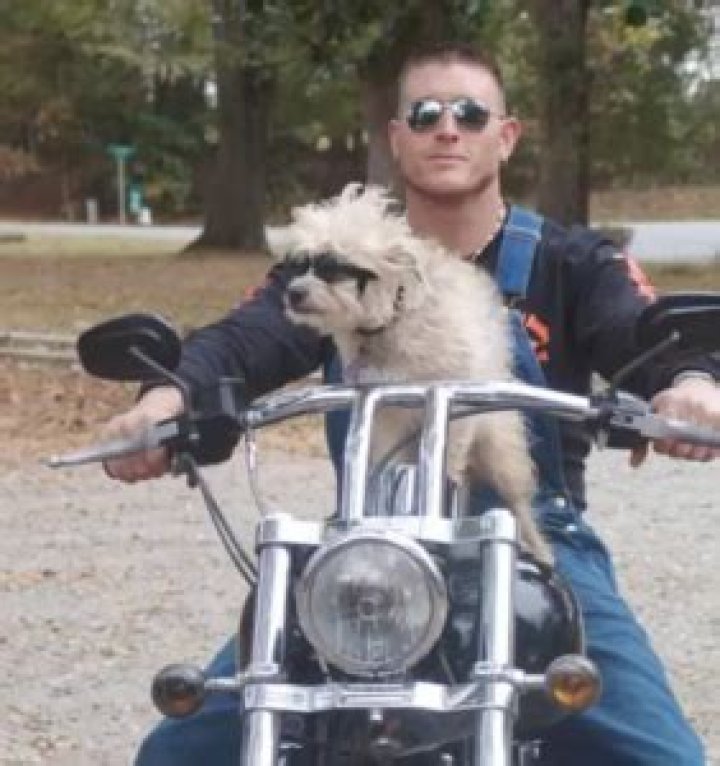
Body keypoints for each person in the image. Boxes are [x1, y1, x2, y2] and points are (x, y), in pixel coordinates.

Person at [103, 42, 720, 765]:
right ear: (397, 139)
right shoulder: (337, 261)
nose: (447, 128)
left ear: (506, 135)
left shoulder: (574, 261)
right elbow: (244, 338)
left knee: (662, 754)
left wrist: (691, 384)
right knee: (180, 750)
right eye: (425, 114)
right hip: (369, 545)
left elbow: (642, 330)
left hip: (530, 540)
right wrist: (166, 397)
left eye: (470, 114)